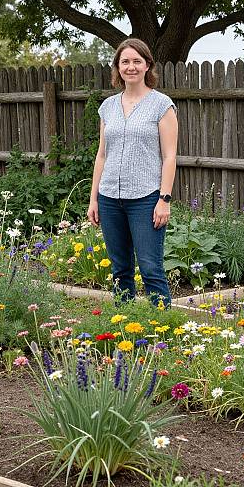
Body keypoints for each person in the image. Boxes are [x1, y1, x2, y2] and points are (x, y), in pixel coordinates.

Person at [87, 38, 178, 308]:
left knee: (151, 269)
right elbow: (102, 155)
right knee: (120, 270)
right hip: (109, 199)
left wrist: (164, 199)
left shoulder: (162, 105)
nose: (131, 67)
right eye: (125, 61)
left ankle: (163, 328)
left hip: (146, 199)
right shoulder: (108, 107)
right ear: (117, 66)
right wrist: (94, 199)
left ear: (147, 65)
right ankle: (126, 327)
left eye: (137, 61)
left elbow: (169, 156)